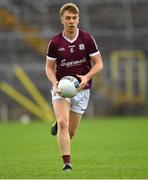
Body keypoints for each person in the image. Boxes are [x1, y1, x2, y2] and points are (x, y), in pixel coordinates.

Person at [45, 3, 103, 171]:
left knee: (70, 133)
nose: (71, 21)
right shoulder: (55, 42)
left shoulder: (87, 39)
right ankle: (67, 164)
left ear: (78, 19)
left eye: (74, 18)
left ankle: (58, 122)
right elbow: (49, 68)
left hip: (82, 90)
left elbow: (99, 64)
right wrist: (55, 83)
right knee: (63, 123)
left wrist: (87, 77)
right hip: (62, 89)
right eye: (68, 18)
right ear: (61, 19)